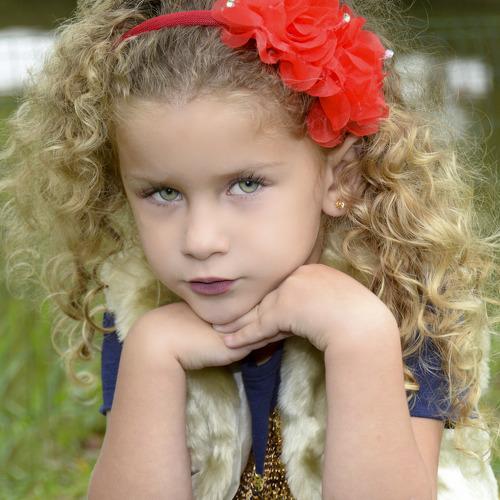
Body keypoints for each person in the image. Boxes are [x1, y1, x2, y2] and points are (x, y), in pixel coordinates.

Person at [0, 0, 498, 498]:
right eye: (164, 193)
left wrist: (359, 337)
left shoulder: (401, 294)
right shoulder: (144, 304)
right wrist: (151, 357)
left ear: (340, 177)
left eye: (246, 184)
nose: (200, 241)